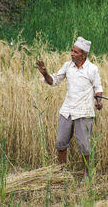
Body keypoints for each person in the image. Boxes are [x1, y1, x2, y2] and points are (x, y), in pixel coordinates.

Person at [35, 36, 103, 180]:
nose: (72, 53)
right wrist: (45, 73)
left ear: (83, 55)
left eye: (75, 52)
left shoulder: (92, 69)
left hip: (84, 112)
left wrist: (98, 100)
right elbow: (54, 81)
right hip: (67, 111)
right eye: (72, 51)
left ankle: (87, 174)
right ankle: (62, 172)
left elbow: (98, 88)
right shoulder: (68, 66)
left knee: (84, 146)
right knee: (60, 142)